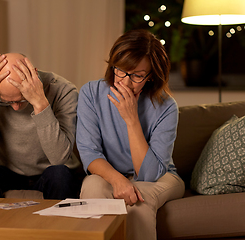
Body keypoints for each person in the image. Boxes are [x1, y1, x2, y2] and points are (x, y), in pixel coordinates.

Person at [76, 29, 185, 240]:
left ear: (150, 76)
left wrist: (131, 119)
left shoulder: (167, 106)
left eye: (136, 76)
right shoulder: (90, 93)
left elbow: (149, 175)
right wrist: (118, 180)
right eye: (121, 71)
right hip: (110, 173)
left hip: (162, 177)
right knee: (92, 185)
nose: (125, 82)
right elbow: (89, 153)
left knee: (138, 199)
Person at [0, 53, 81, 205]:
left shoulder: (63, 90)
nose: (15, 107)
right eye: (7, 102)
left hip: (51, 170)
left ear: (34, 75)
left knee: (60, 175)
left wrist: (39, 102)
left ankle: (58, 229)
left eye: (21, 99)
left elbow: (59, 158)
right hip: (5, 171)